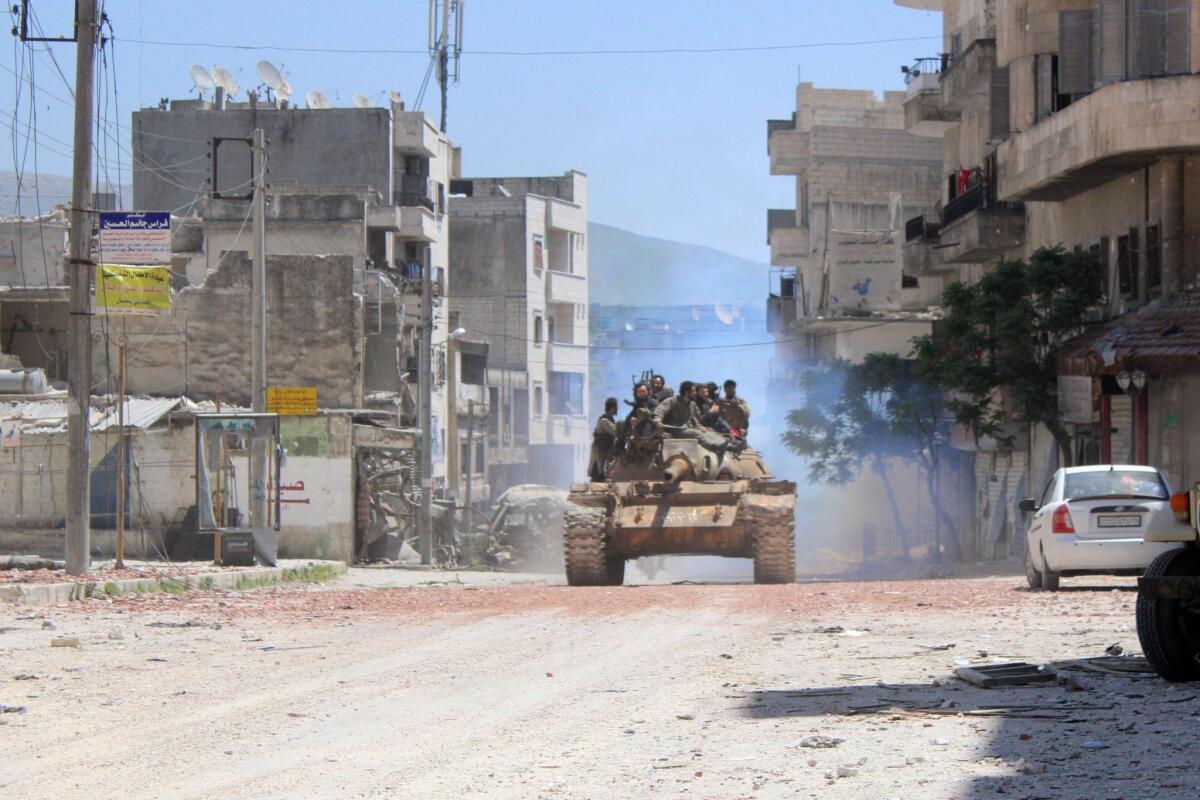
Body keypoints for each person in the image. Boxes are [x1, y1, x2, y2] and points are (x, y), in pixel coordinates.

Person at [588, 397, 619, 482]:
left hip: (605, 449)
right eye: (616, 408)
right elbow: (616, 432)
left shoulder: (610, 419)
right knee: (600, 472)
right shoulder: (604, 421)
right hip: (601, 449)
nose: (617, 410)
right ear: (612, 408)